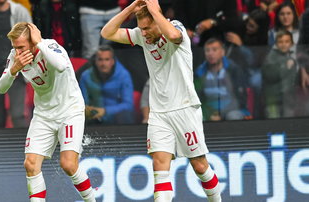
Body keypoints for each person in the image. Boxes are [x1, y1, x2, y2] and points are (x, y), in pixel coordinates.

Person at [101, 0, 221, 201]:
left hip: (185, 108)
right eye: (141, 29)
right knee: (159, 164)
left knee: (200, 166)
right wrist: (131, 8)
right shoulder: (142, 36)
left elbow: (173, 36)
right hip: (158, 113)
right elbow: (107, 33)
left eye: (148, 27)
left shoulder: (176, 27)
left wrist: (155, 12)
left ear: (158, 19)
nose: (144, 33)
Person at [0, 22, 96, 201]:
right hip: (43, 115)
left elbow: (60, 65)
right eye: (15, 47)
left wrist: (40, 43)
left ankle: (92, 199)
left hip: (69, 110)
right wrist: (13, 70)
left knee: (68, 164)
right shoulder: (15, 56)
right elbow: (1, 88)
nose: (17, 52)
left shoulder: (50, 46)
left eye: (21, 47)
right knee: (30, 164)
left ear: (33, 42)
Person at [0, 0, 32, 128]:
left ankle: (23, 147)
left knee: (18, 115)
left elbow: (31, 38)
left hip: (16, 69)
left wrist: (23, 60)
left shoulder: (20, 11)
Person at [195, 38, 248, 121]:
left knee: (234, 117)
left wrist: (221, 115)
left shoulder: (233, 70)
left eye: (214, 50)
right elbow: (198, 99)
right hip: (208, 112)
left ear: (222, 52)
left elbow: (239, 97)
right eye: (207, 50)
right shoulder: (199, 73)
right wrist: (209, 114)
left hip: (231, 110)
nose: (210, 53)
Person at [79, 44, 134, 125]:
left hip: (118, 122)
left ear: (112, 61)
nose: (103, 64)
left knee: (125, 114)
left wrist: (105, 111)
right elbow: (82, 102)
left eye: (107, 59)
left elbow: (128, 105)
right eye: (100, 59)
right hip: (92, 121)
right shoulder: (85, 76)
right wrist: (87, 110)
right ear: (95, 61)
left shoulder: (123, 75)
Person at [262, 30, 298, 118]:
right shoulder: (270, 57)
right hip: (273, 99)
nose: (284, 44)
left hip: (287, 98)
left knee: (289, 122)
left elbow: (292, 79)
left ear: (291, 43)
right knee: (274, 122)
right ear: (276, 44)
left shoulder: (291, 57)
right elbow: (270, 76)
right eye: (280, 42)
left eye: (287, 41)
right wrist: (285, 67)